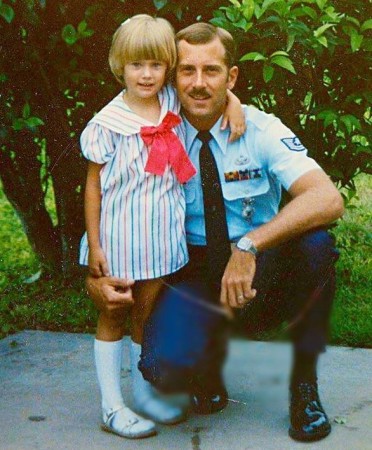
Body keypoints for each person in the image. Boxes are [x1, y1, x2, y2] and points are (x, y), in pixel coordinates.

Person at [169, 22, 344, 442]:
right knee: (160, 371)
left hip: (256, 273)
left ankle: (304, 386)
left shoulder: (262, 129)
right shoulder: (155, 127)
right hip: (189, 273)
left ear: (231, 78)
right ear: (171, 77)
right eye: (186, 70)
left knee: (317, 247)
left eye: (211, 71)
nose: (197, 83)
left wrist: (250, 245)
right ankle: (206, 361)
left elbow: (327, 198)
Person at [80, 15, 244, 440]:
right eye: (137, 65)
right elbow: (94, 184)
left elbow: (212, 93)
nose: (147, 74)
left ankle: (144, 393)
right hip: (119, 238)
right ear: (120, 66)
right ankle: (111, 405)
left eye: (156, 64)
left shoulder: (171, 102)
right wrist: (94, 243)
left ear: (167, 67)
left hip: (158, 239)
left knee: (147, 315)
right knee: (114, 313)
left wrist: (235, 103)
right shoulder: (109, 122)